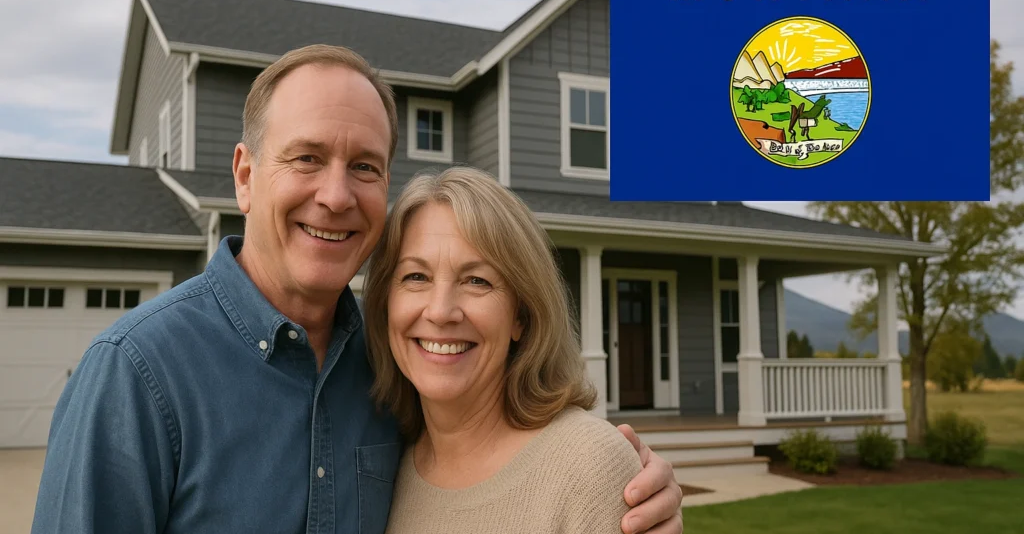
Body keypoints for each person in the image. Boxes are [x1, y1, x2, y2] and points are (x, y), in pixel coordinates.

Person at [30, 44, 683, 534]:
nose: (336, 195)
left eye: (364, 166)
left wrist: (625, 482)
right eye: (307, 157)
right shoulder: (138, 373)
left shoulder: (395, 371)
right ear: (246, 174)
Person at [361, 165, 652, 533]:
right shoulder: (381, 468)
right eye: (416, 276)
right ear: (386, 304)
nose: (440, 311)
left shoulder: (587, 468)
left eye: (476, 280)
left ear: (521, 316)